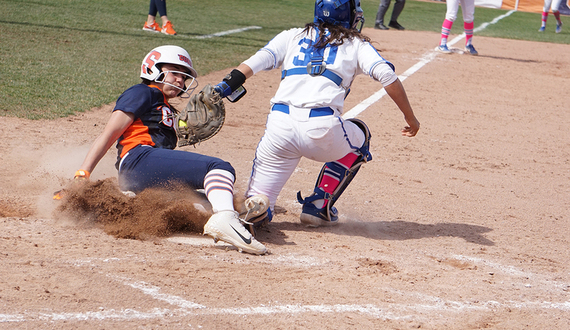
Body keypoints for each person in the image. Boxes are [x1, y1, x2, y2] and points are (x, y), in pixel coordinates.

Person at [212, 0, 419, 230]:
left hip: (279, 129)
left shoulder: (292, 35)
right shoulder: (356, 44)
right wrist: (410, 118)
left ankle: (256, 207)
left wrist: (223, 88)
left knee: (257, 203)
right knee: (360, 133)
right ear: (347, 15)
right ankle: (319, 206)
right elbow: (387, 77)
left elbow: (252, 64)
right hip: (322, 131)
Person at [72, 45, 267, 255]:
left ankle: (238, 214)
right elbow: (108, 135)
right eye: (175, 73)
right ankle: (226, 218)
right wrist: (83, 173)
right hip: (139, 159)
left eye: (183, 77)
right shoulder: (142, 92)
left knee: (203, 204)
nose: (180, 81)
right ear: (153, 69)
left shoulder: (166, 107)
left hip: (146, 175)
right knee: (218, 167)